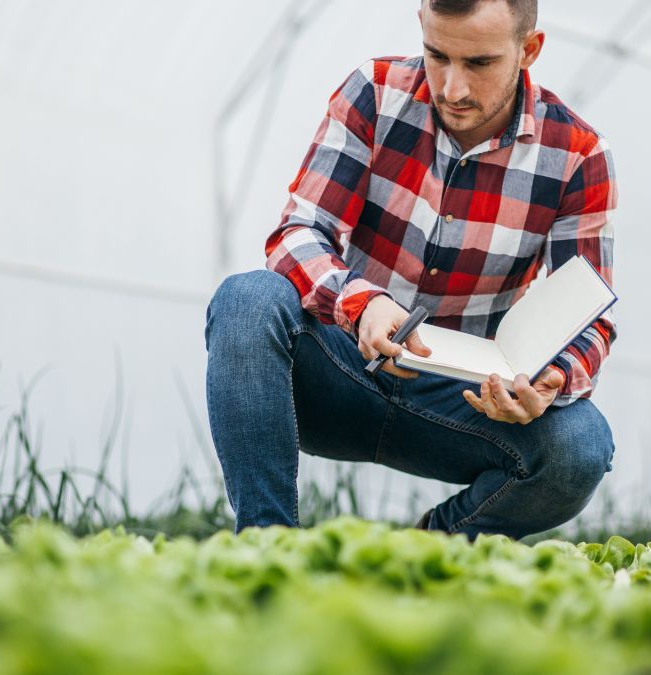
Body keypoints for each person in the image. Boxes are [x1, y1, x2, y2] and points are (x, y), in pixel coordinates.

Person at [205, 0, 617, 539]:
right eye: (437, 56)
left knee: (581, 444)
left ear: (529, 50)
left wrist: (550, 378)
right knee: (248, 299)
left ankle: (436, 547)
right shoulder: (374, 94)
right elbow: (298, 233)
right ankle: (265, 546)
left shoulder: (578, 156)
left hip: (467, 404)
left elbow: (590, 320)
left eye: (480, 64)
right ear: (421, 28)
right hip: (342, 369)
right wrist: (363, 303)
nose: (452, 89)